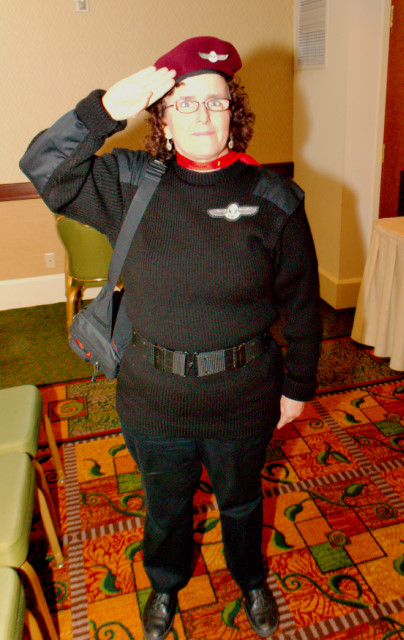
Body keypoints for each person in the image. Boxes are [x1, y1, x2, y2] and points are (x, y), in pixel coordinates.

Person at [20, 36, 322, 640]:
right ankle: (164, 584)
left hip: (244, 393)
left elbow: (303, 304)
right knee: (165, 506)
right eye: (184, 103)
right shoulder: (130, 184)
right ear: (161, 117)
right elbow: (43, 168)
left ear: (234, 113)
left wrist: (298, 386)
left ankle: (250, 578)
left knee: (242, 503)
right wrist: (103, 111)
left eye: (215, 101)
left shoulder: (274, 198)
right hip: (153, 395)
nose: (202, 115)